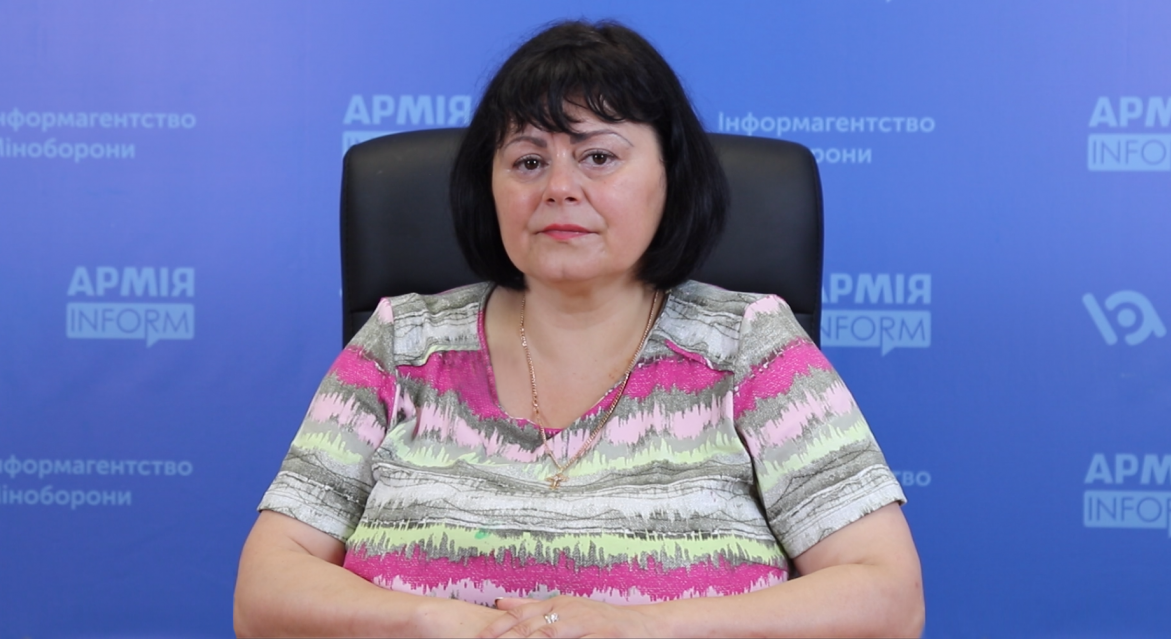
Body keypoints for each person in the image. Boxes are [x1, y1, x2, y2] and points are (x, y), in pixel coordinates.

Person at [234, 20, 923, 638]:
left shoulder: (750, 346)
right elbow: (264, 590)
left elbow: (888, 596)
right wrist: (438, 621)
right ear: (489, 188)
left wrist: (643, 628)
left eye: (598, 157)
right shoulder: (401, 344)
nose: (559, 187)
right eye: (529, 161)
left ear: (671, 178)